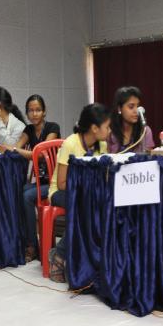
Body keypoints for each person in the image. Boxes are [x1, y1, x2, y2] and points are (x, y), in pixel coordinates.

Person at [47, 103, 111, 282]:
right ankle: (60, 254)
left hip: (86, 195)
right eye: (107, 127)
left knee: (103, 206)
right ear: (94, 128)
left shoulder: (102, 146)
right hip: (60, 193)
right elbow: (61, 183)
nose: (109, 130)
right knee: (85, 207)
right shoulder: (70, 143)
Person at [4, 95, 61, 262]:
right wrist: (13, 148)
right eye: (30, 110)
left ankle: (32, 246)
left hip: (55, 183)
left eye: (38, 110)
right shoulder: (29, 130)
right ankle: (24, 239)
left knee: (27, 196)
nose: (34, 114)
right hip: (40, 182)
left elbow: (41, 154)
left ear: (44, 111)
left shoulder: (53, 127)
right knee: (18, 191)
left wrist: (15, 150)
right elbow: (17, 146)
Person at [107, 86, 154, 154]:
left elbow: (149, 157)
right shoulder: (109, 132)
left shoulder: (145, 131)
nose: (136, 111)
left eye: (137, 106)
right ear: (119, 108)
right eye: (131, 107)